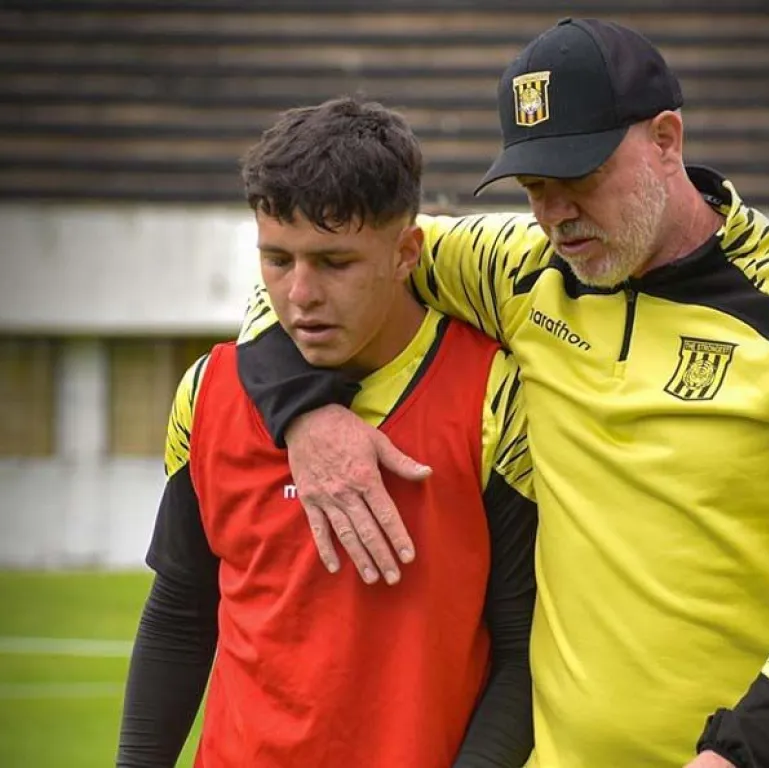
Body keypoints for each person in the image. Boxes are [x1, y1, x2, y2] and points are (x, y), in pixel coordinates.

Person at [235, 19, 769, 768]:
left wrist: (741, 755)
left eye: (580, 178)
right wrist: (309, 414)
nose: (554, 214)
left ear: (666, 139)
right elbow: (324, 268)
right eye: (533, 188)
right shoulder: (519, 268)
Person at [115, 97, 538, 768]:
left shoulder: (495, 397)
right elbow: (178, 614)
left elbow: (524, 652)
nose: (301, 294)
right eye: (277, 260)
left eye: (334, 263)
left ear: (407, 252)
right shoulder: (208, 392)